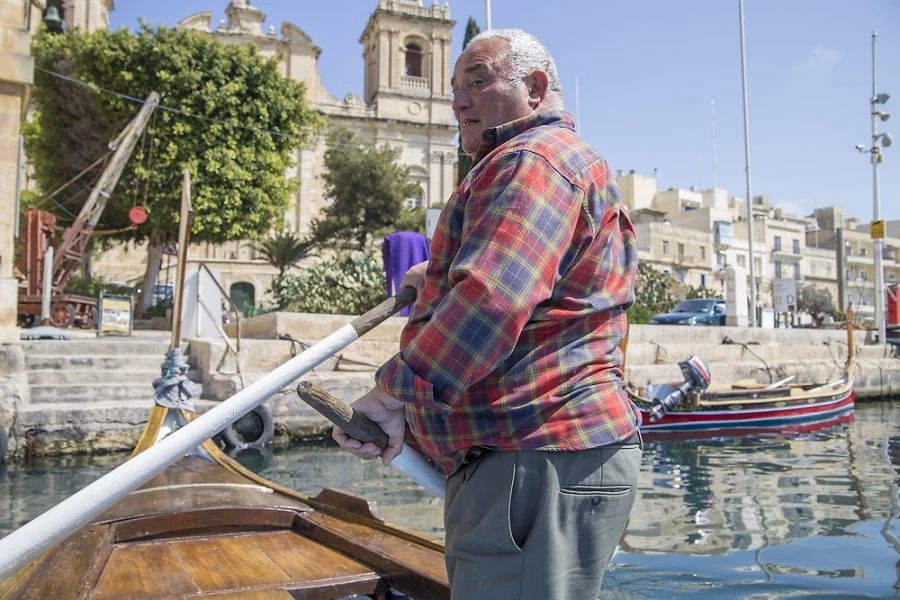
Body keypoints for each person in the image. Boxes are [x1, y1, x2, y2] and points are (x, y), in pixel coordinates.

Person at [333, 28, 642, 600]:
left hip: (533, 458)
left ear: (535, 88)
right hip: (538, 460)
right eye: (455, 88)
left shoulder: (532, 161)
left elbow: (491, 301)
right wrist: (440, 275)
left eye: (477, 83)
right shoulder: (544, 163)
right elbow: (526, 280)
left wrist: (391, 394)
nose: (459, 101)